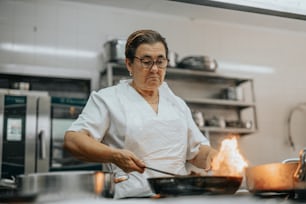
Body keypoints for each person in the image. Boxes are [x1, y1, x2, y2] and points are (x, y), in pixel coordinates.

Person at [64, 29, 218, 199]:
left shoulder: (177, 104)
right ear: (129, 64)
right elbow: (73, 140)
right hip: (131, 198)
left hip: (177, 197)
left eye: (160, 61)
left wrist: (215, 157)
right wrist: (113, 155)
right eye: (146, 62)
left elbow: (196, 151)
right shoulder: (108, 99)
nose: (154, 69)